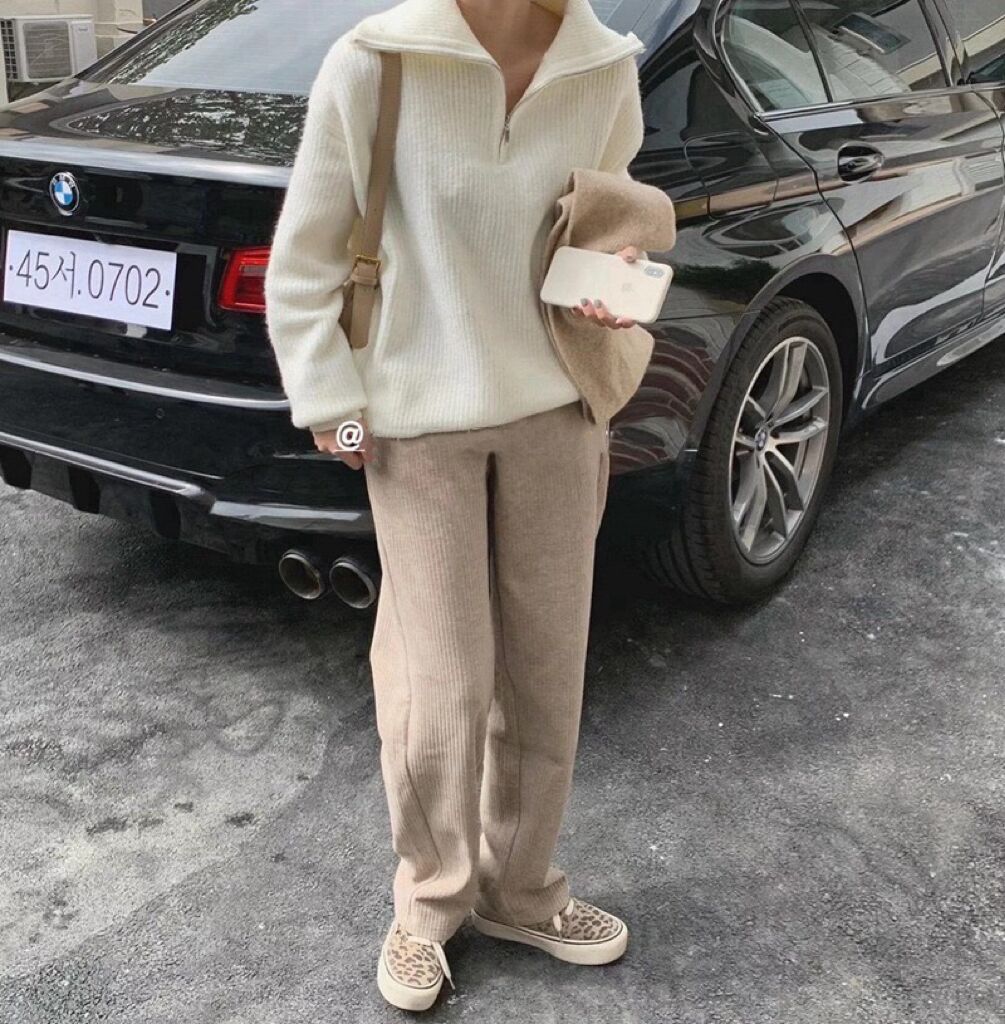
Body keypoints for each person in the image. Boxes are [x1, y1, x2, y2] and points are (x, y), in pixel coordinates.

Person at [264, 0, 649, 1011]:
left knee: (546, 669)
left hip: (558, 410)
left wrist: (618, 275)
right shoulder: (377, 61)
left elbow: (606, 219)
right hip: (418, 423)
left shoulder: (604, 67)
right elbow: (307, 253)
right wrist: (329, 394)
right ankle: (428, 901)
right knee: (441, 679)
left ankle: (520, 890)